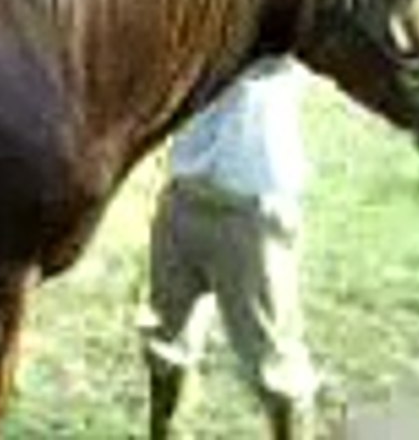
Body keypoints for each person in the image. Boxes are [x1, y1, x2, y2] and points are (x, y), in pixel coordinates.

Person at [139, 57, 339, 440]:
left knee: (276, 368)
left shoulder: (283, 25)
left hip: (252, 207)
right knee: (166, 344)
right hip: (184, 195)